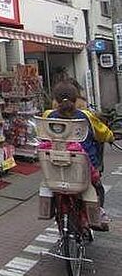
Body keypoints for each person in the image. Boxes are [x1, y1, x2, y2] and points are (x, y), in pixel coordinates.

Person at [44, 81, 114, 229]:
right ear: (76, 99)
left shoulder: (48, 116)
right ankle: (99, 212)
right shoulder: (86, 116)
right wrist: (110, 137)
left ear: (55, 100)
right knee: (97, 187)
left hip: (55, 167)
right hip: (84, 169)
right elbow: (105, 134)